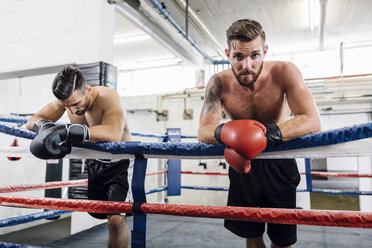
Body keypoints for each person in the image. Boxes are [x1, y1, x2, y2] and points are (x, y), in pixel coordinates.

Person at [198, 19, 321, 248]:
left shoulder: (285, 71)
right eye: (239, 57)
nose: (247, 65)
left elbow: (312, 120)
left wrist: (262, 135)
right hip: (243, 163)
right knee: (252, 235)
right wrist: (231, 132)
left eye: (254, 55)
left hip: (279, 161)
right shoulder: (218, 83)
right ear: (228, 54)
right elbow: (203, 131)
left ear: (264, 51)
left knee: (282, 240)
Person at [26, 66, 132, 248]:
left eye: (76, 104)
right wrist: (47, 129)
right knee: (100, 214)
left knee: (116, 221)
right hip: (94, 163)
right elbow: (32, 121)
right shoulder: (66, 101)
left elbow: (113, 133)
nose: (72, 111)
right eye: (67, 106)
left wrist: (67, 130)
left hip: (120, 164)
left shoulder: (108, 96)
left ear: (87, 89)